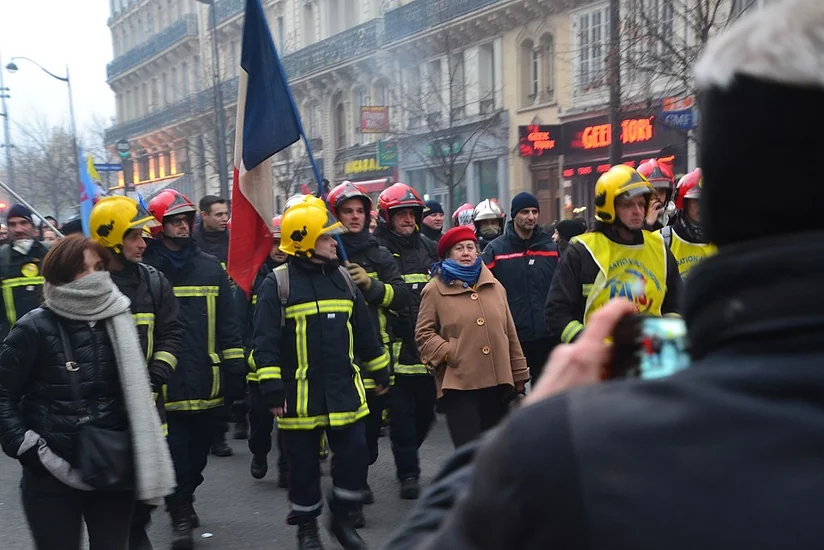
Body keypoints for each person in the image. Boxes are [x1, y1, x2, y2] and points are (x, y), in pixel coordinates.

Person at [388, 4, 824, 547]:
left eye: (648, 203)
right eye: (633, 203)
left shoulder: (578, 450)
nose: (642, 212)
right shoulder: (582, 250)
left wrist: (527, 439)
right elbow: (562, 311)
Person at [0, 236, 175, 550]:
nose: (96, 277)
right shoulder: (33, 328)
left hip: (112, 466)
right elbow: (3, 394)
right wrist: (28, 448)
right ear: (63, 274)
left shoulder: (120, 317)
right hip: (50, 470)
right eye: (85, 270)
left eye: (100, 267)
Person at [252, 199, 391, 550]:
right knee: (303, 469)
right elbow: (264, 342)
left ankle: (342, 517)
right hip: (299, 398)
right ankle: (307, 529)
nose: (334, 242)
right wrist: (271, 388)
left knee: (356, 455)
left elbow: (365, 331)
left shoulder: (344, 279)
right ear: (305, 241)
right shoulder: (277, 284)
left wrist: (380, 370)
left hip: (345, 391)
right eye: (327, 237)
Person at [144, 190, 245, 550]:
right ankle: (180, 512)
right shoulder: (146, 272)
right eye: (175, 221)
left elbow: (228, 322)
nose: (183, 227)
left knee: (200, 453)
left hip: (206, 377)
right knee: (175, 453)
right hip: (165, 381)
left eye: (186, 220)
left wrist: (235, 367)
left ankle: (186, 495)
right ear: (159, 227)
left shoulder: (209, 267)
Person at [90, 196, 184, 550]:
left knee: (146, 490)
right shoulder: (89, 285)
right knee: (111, 495)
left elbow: (172, 332)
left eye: (142, 235)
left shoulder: (154, 282)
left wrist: (157, 372)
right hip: (102, 412)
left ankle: (136, 528)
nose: (143, 243)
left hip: (148, 405)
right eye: (133, 236)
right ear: (111, 238)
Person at [329, 181, 412, 520]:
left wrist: (371, 285)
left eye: (359, 211)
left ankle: (358, 474)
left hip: (374, 357)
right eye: (347, 211)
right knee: (349, 437)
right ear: (335, 216)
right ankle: (352, 495)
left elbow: (402, 296)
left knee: (368, 438)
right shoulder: (325, 253)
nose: (354, 217)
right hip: (338, 360)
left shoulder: (380, 255)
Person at [416, 226, 529, 448]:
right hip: (459, 383)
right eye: (459, 249)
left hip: (497, 382)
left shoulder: (495, 286)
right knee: (468, 451)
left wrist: (519, 374)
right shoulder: (434, 289)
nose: (466, 253)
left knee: (494, 450)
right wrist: (450, 353)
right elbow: (423, 333)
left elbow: (509, 333)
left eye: (470, 247)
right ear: (448, 255)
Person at [546, 165, 682, 346]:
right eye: (628, 204)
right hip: (598, 359)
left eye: (641, 204)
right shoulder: (583, 252)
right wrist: (588, 343)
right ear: (608, 207)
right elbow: (556, 312)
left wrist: (665, 339)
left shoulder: (660, 248)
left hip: (649, 356)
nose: (638, 211)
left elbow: (675, 306)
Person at [373, 183, 439, 500]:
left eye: (412, 213)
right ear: (388, 217)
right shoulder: (377, 251)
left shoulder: (429, 248)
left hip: (426, 349)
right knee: (401, 419)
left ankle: (408, 451)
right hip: (395, 350)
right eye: (401, 214)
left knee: (426, 414)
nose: (408, 219)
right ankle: (408, 474)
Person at [482, 192, 559, 383]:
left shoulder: (551, 249)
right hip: (512, 337)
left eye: (534, 212)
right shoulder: (495, 250)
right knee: (512, 393)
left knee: (546, 392)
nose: (531, 217)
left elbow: (561, 287)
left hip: (547, 336)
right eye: (525, 212)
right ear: (514, 215)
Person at [236, 216, 289, 486]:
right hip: (259, 364)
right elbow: (240, 322)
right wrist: (246, 354)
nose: (279, 249)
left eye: (283, 242)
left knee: (290, 421)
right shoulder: (252, 279)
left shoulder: (297, 274)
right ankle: (259, 452)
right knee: (260, 419)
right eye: (274, 242)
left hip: (291, 362)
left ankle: (287, 467)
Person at [192, 195, 238, 455]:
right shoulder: (193, 243)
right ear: (204, 215)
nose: (224, 219)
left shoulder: (234, 241)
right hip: (202, 316)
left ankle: (220, 435)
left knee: (225, 377)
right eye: (218, 214)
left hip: (228, 311)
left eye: (225, 214)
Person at [0, 204, 49, 341]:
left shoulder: (49, 255)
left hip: (49, 341)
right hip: (11, 341)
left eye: (23, 223)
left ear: (33, 226)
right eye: (12, 224)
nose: (18, 229)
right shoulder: (2, 258)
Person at [661, 168, 717, 278]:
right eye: (696, 201)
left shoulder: (724, 242)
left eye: (706, 201)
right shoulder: (662, 240)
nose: (702, 206)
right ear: (684, 203)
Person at [638, 157, 676, 230]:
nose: (657, 196)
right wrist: (647, 225)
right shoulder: (630, 221)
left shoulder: (675, 221)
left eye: (661, 191)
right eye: (652, 191)